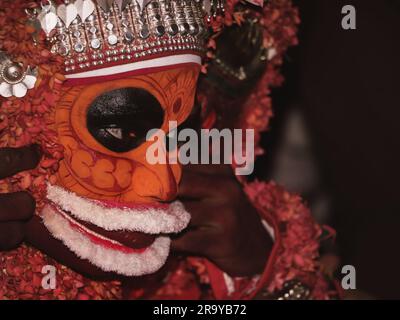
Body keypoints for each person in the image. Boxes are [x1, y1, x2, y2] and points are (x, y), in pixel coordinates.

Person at [0, 0, 337, 299]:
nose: (164, 185)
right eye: (119, 130)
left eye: (181, 137)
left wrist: (267, 276)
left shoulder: (205, 262)